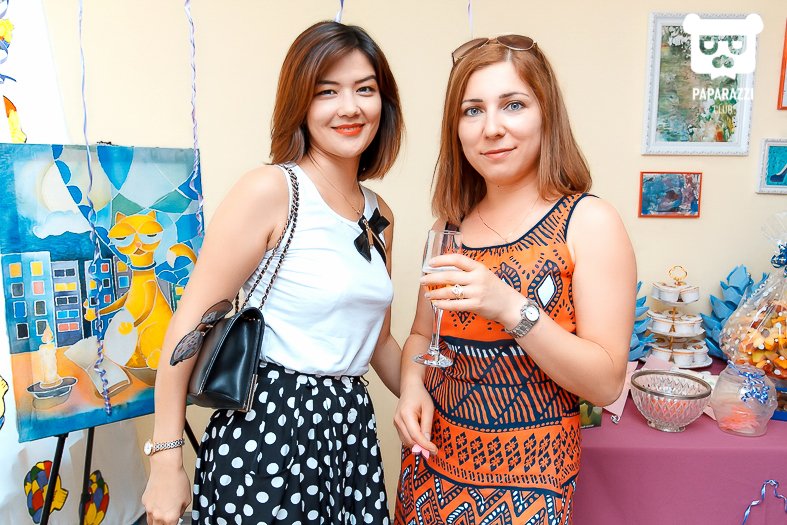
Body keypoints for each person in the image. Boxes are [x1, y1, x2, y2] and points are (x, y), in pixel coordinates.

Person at [142, 21, 404, 525]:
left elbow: (379, 342)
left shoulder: (379, 214)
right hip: (270, 427)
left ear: (383, 103)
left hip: (350, 433)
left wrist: (433, 398)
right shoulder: (272, 190)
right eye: (327, 92)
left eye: (365, 89)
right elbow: (190, 324)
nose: (350, 107)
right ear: (300, 103)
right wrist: (166, 460)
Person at [394, 35, 636, 524]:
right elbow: (422, 335)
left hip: (528, 489)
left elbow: (606, 383)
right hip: (429, 474)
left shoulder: (588, 221)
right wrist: (412, 385)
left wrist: (509, 307)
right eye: (472, 110)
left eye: (513, 105)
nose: (492, 128)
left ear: (546, 114)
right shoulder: (448, 228)